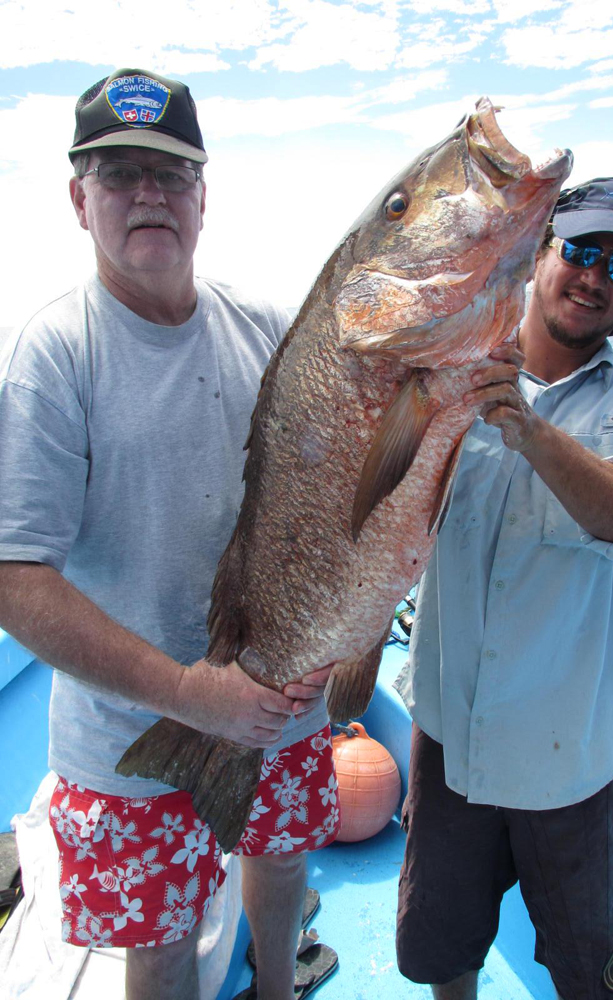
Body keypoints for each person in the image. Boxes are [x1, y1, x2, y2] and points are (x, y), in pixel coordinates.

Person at [0, 68, 340, 1000]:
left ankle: (278, 988)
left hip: (284, 706)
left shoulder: (271, 326)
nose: (148, 191)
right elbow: (14, 577)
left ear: (203, 196)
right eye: (118, 172)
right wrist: (195, 694)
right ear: (80, 199)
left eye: (171, 171)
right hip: (132, 740)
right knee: (159, 945)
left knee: (280, 866)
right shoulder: (53, 355)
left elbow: (335, 489)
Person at [394, 177, 613, 1000]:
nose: (595, 275)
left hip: (572, 761)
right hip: (448, 735)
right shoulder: (443, 372)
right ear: (538, 254)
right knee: (441, 949)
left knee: (587, 970)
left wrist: (529, 433)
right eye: (581, 249)